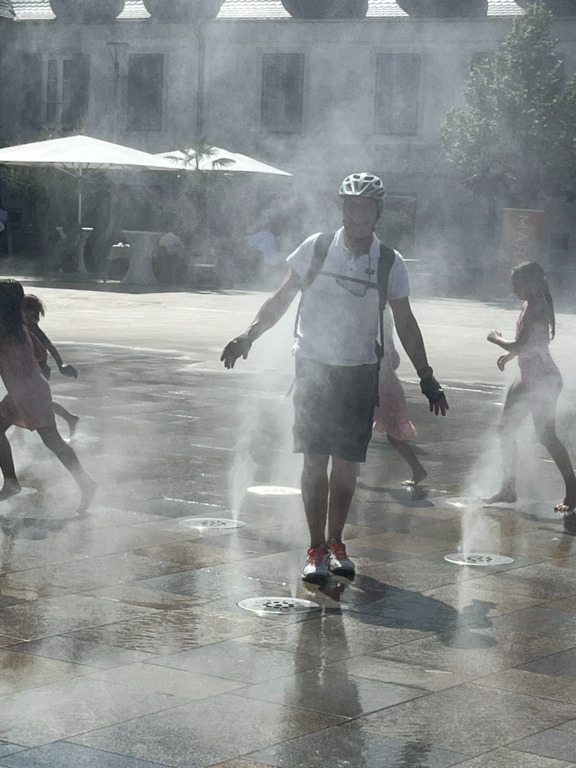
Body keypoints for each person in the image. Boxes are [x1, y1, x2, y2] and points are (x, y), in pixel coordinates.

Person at [221, 173, 448, 583]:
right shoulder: (317, 247)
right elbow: (282, 297)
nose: (356, 213)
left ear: (378, 212)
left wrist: (426, 376)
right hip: (313, 367)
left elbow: (405, 321)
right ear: (342, 208)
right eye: (349, 205)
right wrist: (248, 335)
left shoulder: (389, 261)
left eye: (365, 207)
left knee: (345, 466)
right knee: (314, 459)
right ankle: (315, 549)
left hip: (359, 371)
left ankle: (336, 542)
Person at [486, 261, 576, 515]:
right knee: (505, 429)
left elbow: (520, 344)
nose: (515, 289)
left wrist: (496, 339)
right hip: (528, 377)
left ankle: (573, 489)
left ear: (533, 283)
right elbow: (530, 343)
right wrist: (509, 357)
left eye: (518, 284)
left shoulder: (537, 306)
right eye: (513, 284)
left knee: (546, 436)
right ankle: (508, 488)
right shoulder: (529, 303)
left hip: (544, 379)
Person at [0, 280, 95, 509]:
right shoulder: (18, 327)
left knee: (53, 441)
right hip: (30, 388)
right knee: (53, 441)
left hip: (28, 391)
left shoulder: (6, 330)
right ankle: (85, 483)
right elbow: (40, 354)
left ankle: (12, 482)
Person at [373, 305, 427, 486]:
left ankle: (418, 469)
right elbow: (394, 357)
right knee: (362, 425)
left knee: (391, 433)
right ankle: (352, 469)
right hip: (383, 380)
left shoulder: (374, 312)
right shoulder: (384, 311)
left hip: (380, 382)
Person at [22, 294, 80, 438]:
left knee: (37, 402)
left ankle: (70, 418)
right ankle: (18, 434)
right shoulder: (21, 325)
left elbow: (49, 346)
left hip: (38, 370)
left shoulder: (32, 327)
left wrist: (61, 365)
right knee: (23, 401)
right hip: (28, 370)